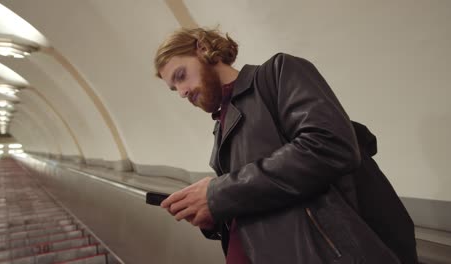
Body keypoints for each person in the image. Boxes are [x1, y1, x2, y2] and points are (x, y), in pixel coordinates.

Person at [154, 27, 418, 264]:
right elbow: (258, 197)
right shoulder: (222, 125)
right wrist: (214, 214)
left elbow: (328, 146)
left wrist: (218, 194)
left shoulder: (277, 74)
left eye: (181, 76)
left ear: (202, 48)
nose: (182, 92)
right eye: (174, 88)